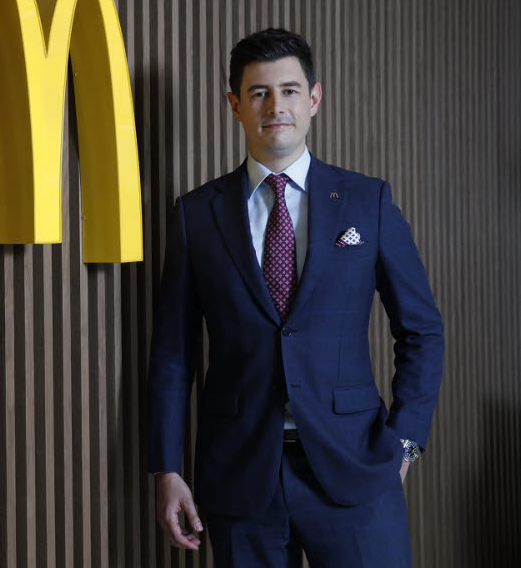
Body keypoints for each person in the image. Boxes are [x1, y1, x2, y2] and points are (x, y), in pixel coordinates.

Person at [147, 28, 444, 567]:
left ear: (314, 99)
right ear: (235, 104)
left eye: (288, 91)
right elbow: (174, 353)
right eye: (259, 93)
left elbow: (421, 329)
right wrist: (167, 468)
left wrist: (406, 442)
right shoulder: (197, 215)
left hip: (356, 469)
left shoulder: (366, 201)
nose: (275, 106)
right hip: (242, 476)